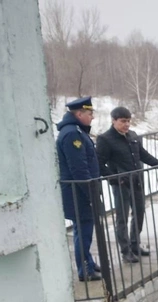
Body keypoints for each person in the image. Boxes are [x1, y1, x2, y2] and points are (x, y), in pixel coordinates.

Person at [96, 107, 158, 263]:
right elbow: (99, 164)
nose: (126, 124)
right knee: (122, 218)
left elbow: (144, 155)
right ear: (113, 120)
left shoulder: (132, 136)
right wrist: (114, 179)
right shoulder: (105, 139)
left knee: (139, 214)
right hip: (121, 184)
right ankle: (125, 250)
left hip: (137, 181)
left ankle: (135, 245)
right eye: (123, 121)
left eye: (128, 121)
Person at [57, 96, 102, 282]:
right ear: (79, 113)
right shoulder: (72, 134)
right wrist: (90, 193)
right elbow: (79, 169)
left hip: (81, 192)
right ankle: (85, 269)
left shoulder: (76, 131)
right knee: (82, 232)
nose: (92, 117)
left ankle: (88, 262)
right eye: (90, 113)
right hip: (79, 193)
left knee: (83, 231)